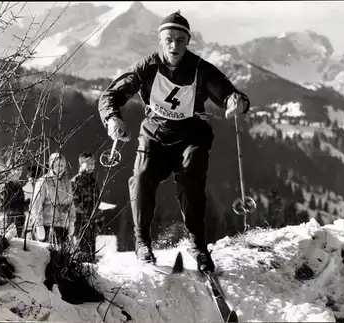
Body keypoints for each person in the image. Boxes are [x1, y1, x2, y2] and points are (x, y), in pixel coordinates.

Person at [98, 11, 250, 273]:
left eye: (180, 40)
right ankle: (142, 241)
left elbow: (229, 93)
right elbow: (111, 95)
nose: (174, 45)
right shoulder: (147, 67)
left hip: (191, 135)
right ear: (160, 41)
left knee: (191, 178)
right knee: (142, 176)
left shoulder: (201, 69)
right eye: (169, 39)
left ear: (188, 42)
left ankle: (198, 245)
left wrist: (235, 103)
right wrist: (112, 118)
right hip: (155, 134)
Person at [28, 152, 76, 245]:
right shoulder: (43, 181)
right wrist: (39, 225)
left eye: (62, 165)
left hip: (62, 227)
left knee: (62, 257)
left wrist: (71, 223)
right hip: (47, 226)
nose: (59, 167)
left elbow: (71, 204)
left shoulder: (68, 183)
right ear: (51, 165)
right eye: (57, 164)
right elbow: (36, 205)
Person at [71, 152, 101, 262]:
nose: (92, 165)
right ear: (81, 164)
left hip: (92, 223)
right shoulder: (75, 181)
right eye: (88, 163)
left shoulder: (93, 181)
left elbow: (97, 200)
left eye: (93, 162)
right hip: (80, 223)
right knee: (81, 255)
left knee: (91, 255)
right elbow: (74, 204)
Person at [0, 153, 28, 238]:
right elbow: (2, 208)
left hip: (19, 224)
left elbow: (20, 205)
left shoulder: (18, 186)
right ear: (10, 169)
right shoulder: (5, 185)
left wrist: (26, 205)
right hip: (8, 224)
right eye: (16, 169)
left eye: (20, 169)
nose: (19, 172)